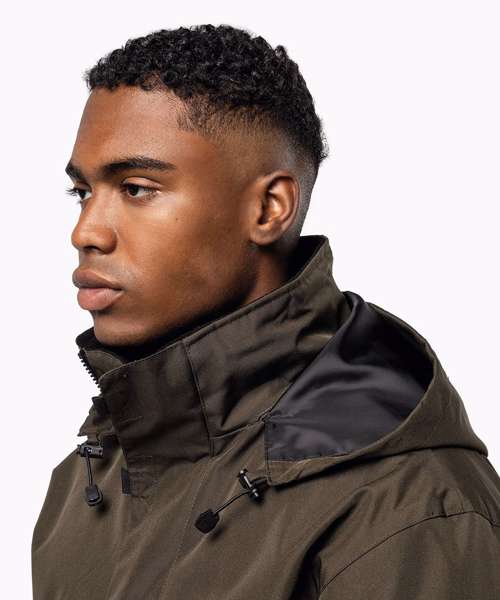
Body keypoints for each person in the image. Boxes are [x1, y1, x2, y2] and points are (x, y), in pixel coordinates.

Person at [31, 24, 500, 599]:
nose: (86, 232)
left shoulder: (412, 506)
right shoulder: (87, 481)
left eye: (136, 188)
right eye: (82, 192)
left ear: (269, 208)